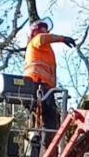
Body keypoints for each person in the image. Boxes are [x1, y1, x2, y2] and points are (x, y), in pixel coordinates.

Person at [23, 20, 75, 149]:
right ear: (36, 31)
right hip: (38, 85)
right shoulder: (37, 41)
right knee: (49, 120)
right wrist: (63, 39)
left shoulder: (44, 50)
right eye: (43, 29)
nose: (46, 32)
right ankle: (46, 149)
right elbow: (43, 38)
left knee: (50, 120)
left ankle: (45, 149)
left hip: (44, 87)